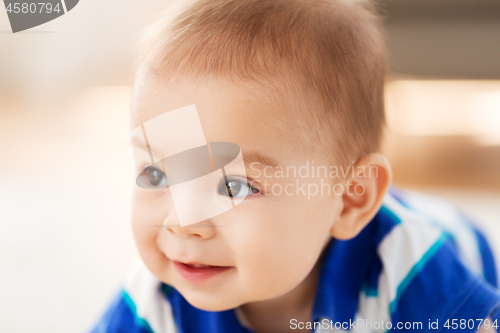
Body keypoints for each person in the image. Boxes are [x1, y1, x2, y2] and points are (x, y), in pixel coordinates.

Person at [91, 0, 500, 331]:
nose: (183, 221)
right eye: (156, 174)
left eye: (233, 187)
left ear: (348, 201)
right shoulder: (156, 299)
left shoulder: (405, 269)